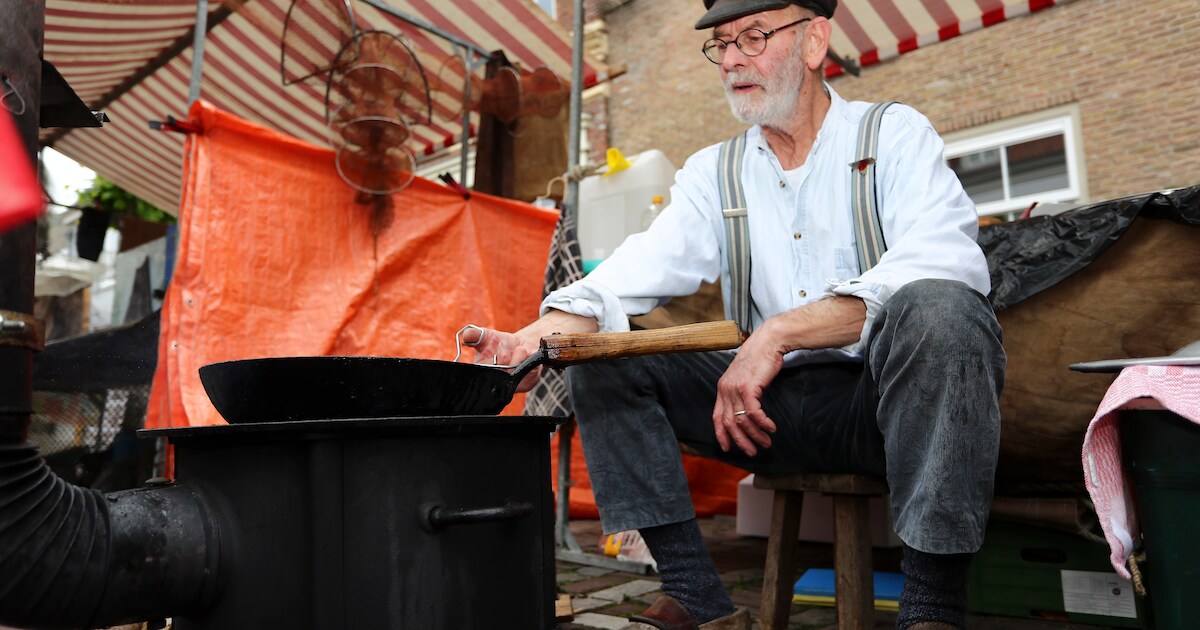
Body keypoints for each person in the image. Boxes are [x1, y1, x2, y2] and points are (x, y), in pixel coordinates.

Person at [464, 0, 1006, 627]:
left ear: (813, 43)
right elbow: (630, 274)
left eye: (754, 36)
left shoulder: (892, 135)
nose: (732, 60)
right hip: (760, 415)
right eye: (722, 44)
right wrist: (531, 343)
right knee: (600, 356)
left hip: (881, 408)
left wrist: (777, 333)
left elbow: (945, 259)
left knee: (943, 310)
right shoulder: (713, 173)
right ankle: (694, 595)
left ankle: (932, 610)